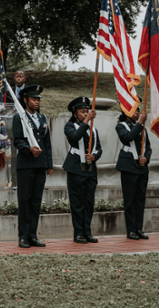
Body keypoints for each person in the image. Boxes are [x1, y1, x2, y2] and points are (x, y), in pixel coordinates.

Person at [12, 84, 53, 248]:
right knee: (25, 201)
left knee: (36, 201)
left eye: (38, 100)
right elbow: (17, 141)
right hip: (26, 164)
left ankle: (33, 235)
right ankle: (23, 236)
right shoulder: (19, 117)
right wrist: (29, 149)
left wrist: (49, 163)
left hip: (40, 164)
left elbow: (47, 143)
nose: (37, 102)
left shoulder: (42, 118)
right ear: (25, 100)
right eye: (34, 99)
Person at [62, 97, 102, 244]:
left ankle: (87, 232)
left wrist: (95, 156)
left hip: (90, 169)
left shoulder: (94, 130)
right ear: (75, 114)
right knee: (77, 203)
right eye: (82, 112)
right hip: (76, 168)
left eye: (87, 112)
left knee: (89, 202)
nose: (86, 114)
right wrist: (87, 122)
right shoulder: (69, 126)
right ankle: (78, 233)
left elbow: (99, 148)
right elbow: (75, 137)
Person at [115, 103, 152, 240]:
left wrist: (146, 158)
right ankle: (131, 230)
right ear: (126, 111)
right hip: (128, 166)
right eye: (135, 110)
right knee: (130, 200)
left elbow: (148, 148)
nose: (138, 113)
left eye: (138, 110)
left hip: (142, 168)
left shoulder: (142, 129)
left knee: (140, 200)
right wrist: (140, 123)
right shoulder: (120, 126)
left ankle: (138, 228)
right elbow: (128, 137)